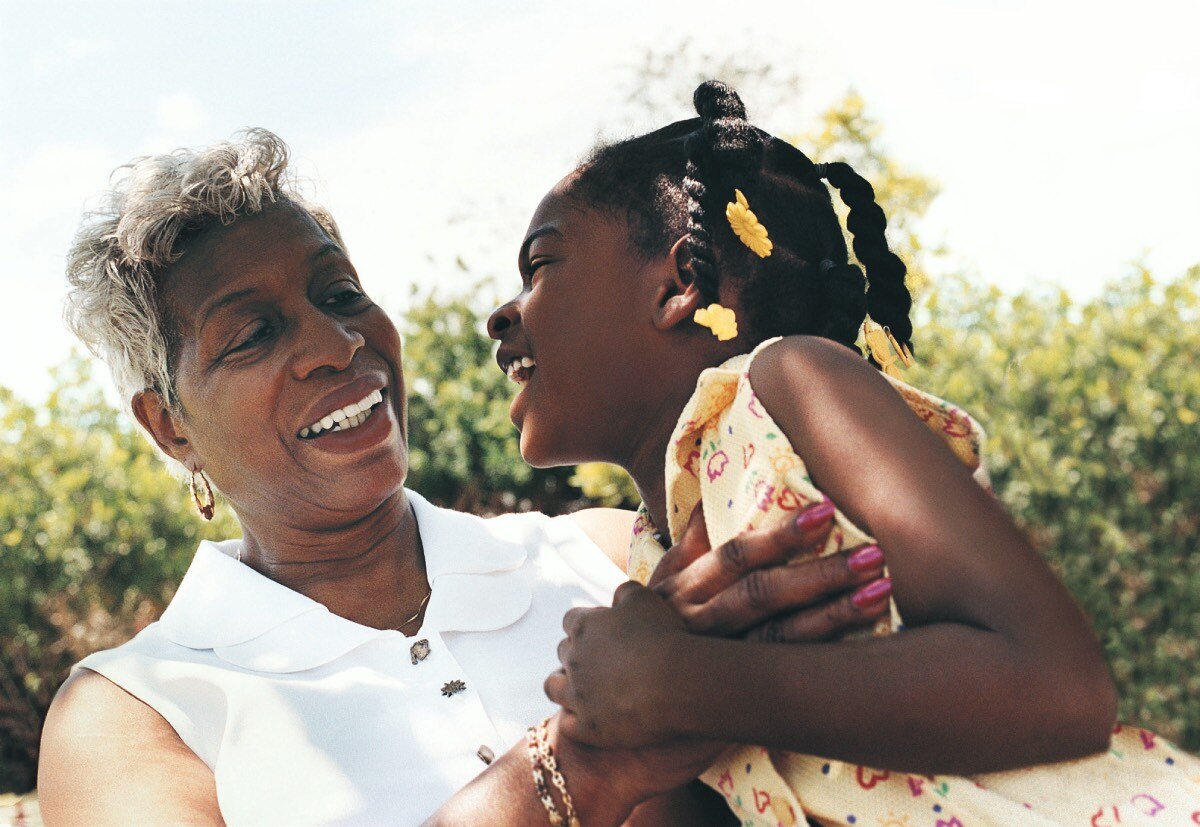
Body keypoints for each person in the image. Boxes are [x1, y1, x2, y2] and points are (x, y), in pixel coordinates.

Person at [37, 128, 895, 825]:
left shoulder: (608, 551)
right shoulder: (132, 713)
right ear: (169, 425)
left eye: (339, 294)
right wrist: (581, 762)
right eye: (253, 333)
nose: (337, 346)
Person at [483, 80, 1200, 825]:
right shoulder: (651, 560)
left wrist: (685, 681)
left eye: (540, 267)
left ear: (679, 284)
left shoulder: (792, 380)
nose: (503, 313)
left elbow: (1059, 685)